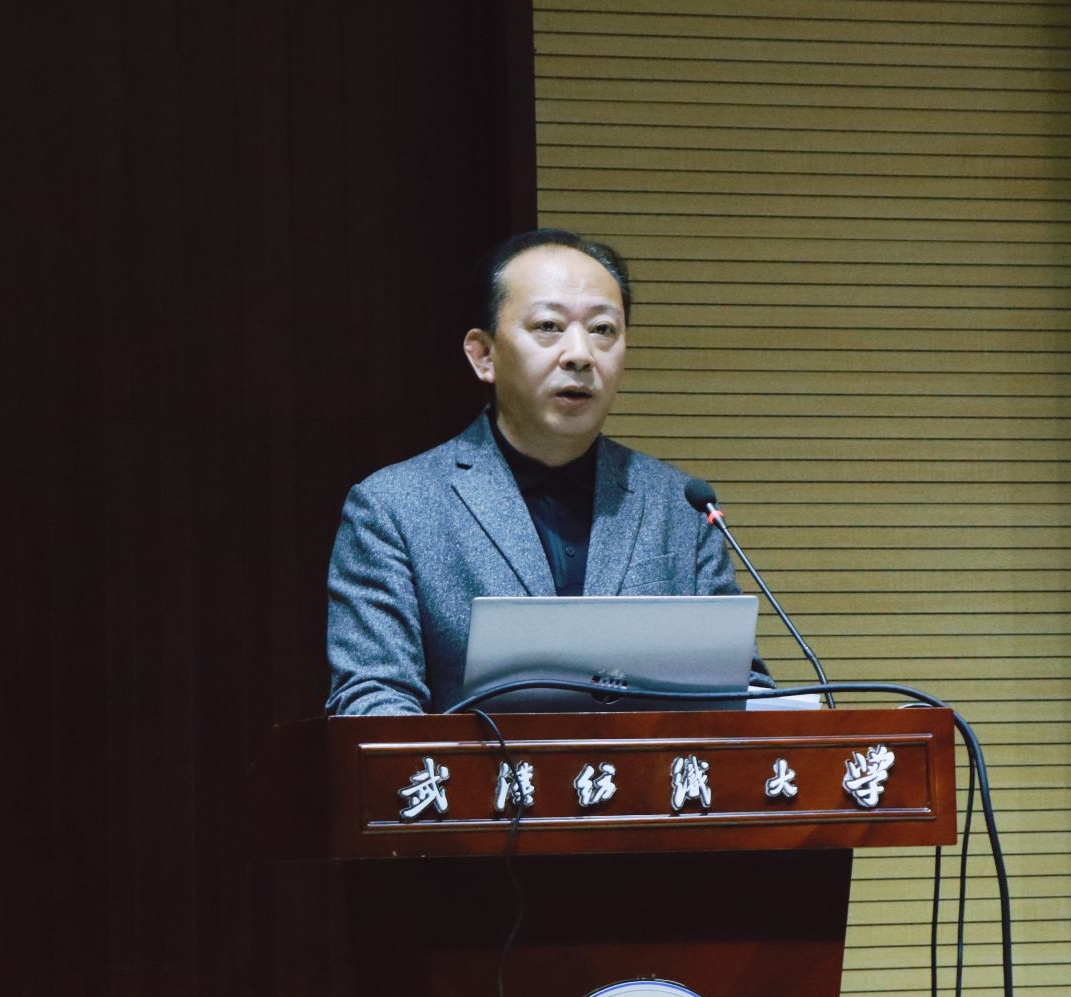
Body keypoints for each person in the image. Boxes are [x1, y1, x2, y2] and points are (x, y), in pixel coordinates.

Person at [324, 228, 767, 714]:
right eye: (549, 326)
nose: (580, 354)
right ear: (484, 355)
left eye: (603, 330)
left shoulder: (680, 506)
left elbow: (741, 690)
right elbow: (373, 700)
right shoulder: (394, 509)